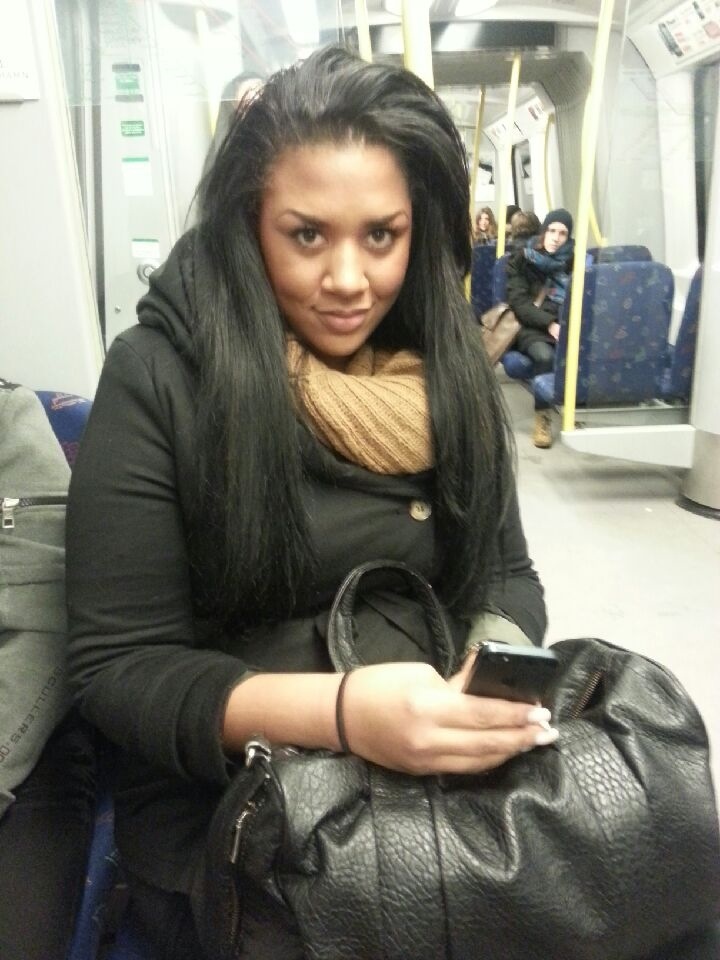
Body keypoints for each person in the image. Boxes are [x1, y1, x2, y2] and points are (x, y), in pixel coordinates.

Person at [66, 46, 553, 959]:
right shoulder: (162, 375)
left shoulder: (445, 364)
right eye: (306, 235)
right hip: (244, 805)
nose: (349, 280)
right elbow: (119, 670)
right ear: (250, 222)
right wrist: (344, 714)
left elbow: (508, 575)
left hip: (431, 756)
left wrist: (478, 681)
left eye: (382, 236)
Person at [505, 208, 575, 449]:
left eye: (562, 233)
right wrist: (549, 324)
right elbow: (520, 304)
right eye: (552, 231)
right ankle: (542, 417)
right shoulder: (523, 260)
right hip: (533, 325)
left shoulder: (575, 262)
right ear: (544, 232)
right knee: (546, 357)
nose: (556, 238)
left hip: (567, 322)